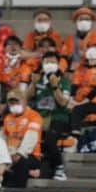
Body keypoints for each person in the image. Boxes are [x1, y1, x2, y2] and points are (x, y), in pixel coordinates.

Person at [29, 51, 73, 181]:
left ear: (58, 64)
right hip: (39, 118)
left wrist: (54, 86)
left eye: (53, 62)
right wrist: (33, 83)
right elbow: (25, 99)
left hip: (58, 118)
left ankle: (59, 168)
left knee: (50, 138)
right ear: (42, 64)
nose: (50, 64)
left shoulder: (64, 82)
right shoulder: (37, 79)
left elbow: (63, 102)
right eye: (47, 61)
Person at [1, 90, 42, 192]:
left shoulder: (34, 116)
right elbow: (2, 137)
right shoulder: (8, 118)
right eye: (11, 103)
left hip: (31, 155)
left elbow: (31, 138)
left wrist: (20, 153)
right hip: (10, 152)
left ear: (24, 101)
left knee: (21, 162)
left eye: (16, 102)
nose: (14, 105)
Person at [69, 45, 96, 132]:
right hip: (78, 100)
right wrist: (72, 99)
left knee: (78, 110)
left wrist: (82, 102)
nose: (91, 60)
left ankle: (75, 135)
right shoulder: (81, 68)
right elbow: (74, 85)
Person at [0, 36, 31, 118]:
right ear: (4, 49)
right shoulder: (0, 64)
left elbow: (23, 88)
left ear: (21, 48)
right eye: (9, 44)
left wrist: (8, 104)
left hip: (21, 97)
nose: (13, 47)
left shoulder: (26, 64)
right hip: (4, 95)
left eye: (16, 44)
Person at [61, 6, 96, 72]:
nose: (84, 21)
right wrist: (60, 72)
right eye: (81, 19)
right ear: (76, 22)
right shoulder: (69, 39)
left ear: (91, 22)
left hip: (92, 73)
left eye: (87, 19)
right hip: (73, 73)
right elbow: (64, 58)